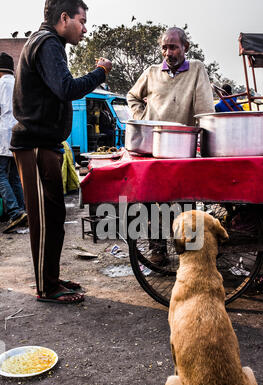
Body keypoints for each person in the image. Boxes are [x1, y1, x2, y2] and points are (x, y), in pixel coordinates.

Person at [11, 0, 112, 304]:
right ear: (64, 18)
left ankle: (51, 278)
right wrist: (100, 73)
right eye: (82, 21)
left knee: (54, 217)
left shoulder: (47, 43)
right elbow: (66, 88)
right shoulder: (48, 43)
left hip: (45, 144)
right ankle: (46, 287)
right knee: (44, 220)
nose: (85, 28)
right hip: (35, 146)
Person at [127, 27, 215, 263]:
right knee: (153, 199)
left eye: (173, 47)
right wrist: (143, 115)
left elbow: (206, 110)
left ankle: (186, 248)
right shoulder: (152, 72)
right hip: (154, 147)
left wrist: (204, 139)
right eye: (164, 47)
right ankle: (158, 249)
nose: (168, 52)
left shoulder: (196, 69)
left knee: (184, 199)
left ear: (185, 47)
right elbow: (132, 96)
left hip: (182, 148)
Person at [0, 52, 27, 233]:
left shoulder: (0, 84)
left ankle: (15, 212)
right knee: (14, 176)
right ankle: (24, 210)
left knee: (0, 174)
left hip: (2, 134)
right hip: (18, 133)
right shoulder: (20, 84)